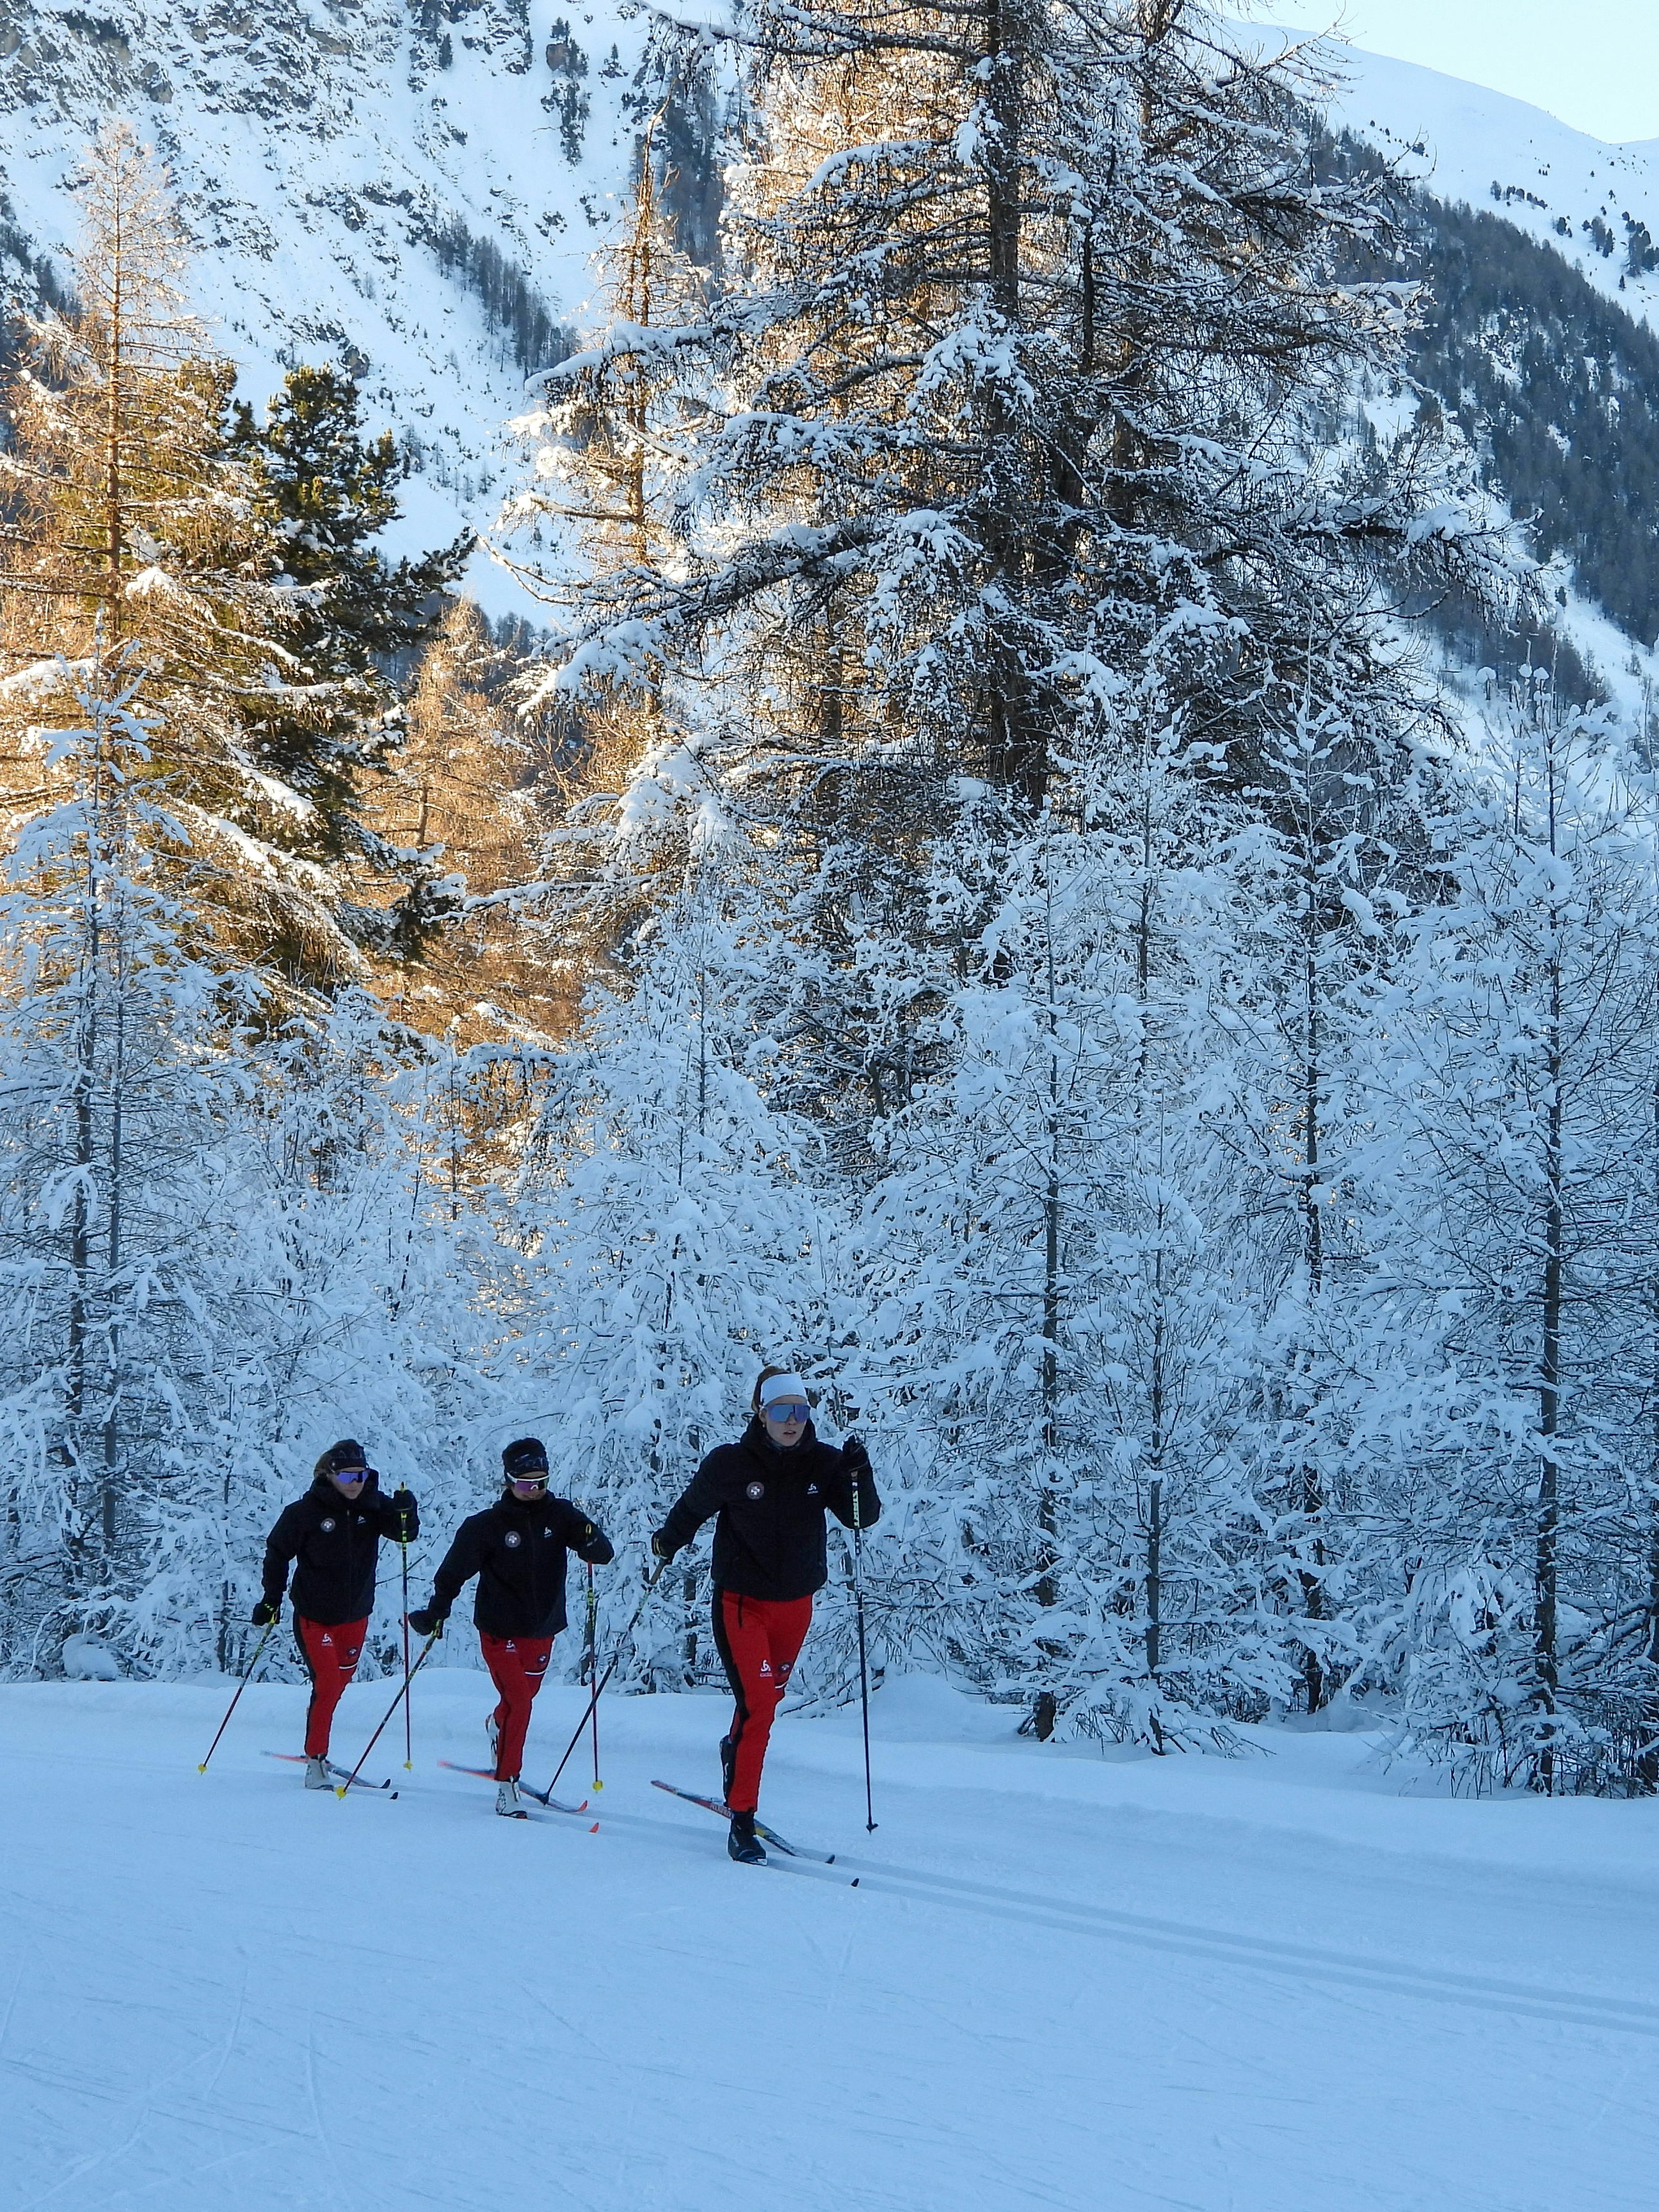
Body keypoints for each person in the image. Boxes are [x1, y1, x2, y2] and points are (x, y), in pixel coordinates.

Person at [652, 1366, 879, 1864]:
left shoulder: (824, 1463)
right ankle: (742, 1821)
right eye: (781, 1411)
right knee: (760, 1707)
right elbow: (691, 1509)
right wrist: (666, 1543)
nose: (792, 1421)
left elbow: (861, 1518)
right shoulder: (731, 1464)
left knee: (763, 1705)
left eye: (800, 1411)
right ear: (762, 1412)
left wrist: (859, 1475)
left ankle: (736, 1755)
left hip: (796, 1607)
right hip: (741, 1605)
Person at [407, 1438, 614, 1817]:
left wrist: (592, 1541)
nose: (533, 1491)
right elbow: (452, 1574)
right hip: (498, 1630)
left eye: (540, 1482)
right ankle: (507, 1785)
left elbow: (602, 1554)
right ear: (508, 1481)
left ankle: (495, 1725)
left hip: (543, 1629)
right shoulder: (486, 1526)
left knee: (520, 1703)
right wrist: (435, 1613)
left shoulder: (562, 1516)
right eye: (523, 1483)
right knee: (520, 1703)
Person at [255, 1439, 419, 1788]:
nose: (355, 1483)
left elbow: (406, 1534)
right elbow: (277, 1552)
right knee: (327, 1684)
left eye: (360, 1475)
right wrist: (272, 1598)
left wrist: (407, 1511)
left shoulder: (373, 1506)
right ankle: (315, 1760)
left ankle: (317, 1740)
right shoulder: (304, 1513)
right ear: (329, 1475)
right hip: (314, 1615)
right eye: (346, 1476)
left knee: (337, 1685)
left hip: (356, 1615)